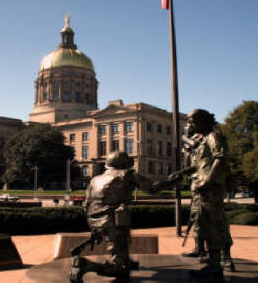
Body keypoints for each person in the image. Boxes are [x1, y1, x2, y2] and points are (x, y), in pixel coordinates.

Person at [69, 151, 159, 282]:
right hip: (113, 222)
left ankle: (124, 258)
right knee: (121, 270)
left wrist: (96, 226)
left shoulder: (95, 179)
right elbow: (153, 188)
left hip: (94, 221)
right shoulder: (128, 175)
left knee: (121, 243)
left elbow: (86, 204)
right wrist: (174, 181)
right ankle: (86, 265)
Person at [165, 109, 234, 278]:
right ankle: (212, 262)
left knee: (215, 222)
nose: (189, 125)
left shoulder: (213, 136)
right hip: (200, 187)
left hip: (210, 187)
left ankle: (221, 261)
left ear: (202, 121)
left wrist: (209, 180)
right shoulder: (200, 140)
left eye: (192, 121)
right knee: (202, 220)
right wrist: (181, 173)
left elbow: (220, 157)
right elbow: (199, 165)